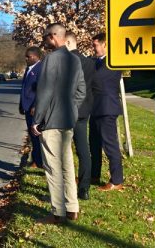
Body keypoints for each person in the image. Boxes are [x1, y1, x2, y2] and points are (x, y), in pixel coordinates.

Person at [31, 23, 85, 224]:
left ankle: (58, 213)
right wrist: (71, 108)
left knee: (53, 168)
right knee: (67, 165)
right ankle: (72, 208)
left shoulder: (50, 60)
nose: (44, 41)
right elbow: (81, 91)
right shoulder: (75, 60)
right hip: (68, 120)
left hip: (52, 121)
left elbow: (44, 94)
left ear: (54, 36)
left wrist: (37, 120)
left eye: (46, 37)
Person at [89, 32, 125, 191]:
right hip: (95, 108)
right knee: (94, 145)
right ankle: (94, 175)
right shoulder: (95, 61)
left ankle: (116, 180)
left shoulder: (113, 62)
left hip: (107, 108)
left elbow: (97, 79)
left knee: (110, 146)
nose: (93, 48)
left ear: (105, 45)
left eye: (96, 45)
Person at [65, 31, 95, 200]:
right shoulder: (90, 63)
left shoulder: (67, 62)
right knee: (84, 150)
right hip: (84, 112)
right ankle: (84, 188)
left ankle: (67, 187)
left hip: (67, 111)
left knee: (64, 151)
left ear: (68, 43)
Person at [19, 46, 43, 168]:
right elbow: (24, 88)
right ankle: (36, 159)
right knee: (32, 136)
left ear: (35, 56)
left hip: (35, 109)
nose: (26, 58)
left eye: (28, 56)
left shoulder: (41, 68)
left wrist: (35, 105)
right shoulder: (28, 69)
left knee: (36, 135)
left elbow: (41, 89)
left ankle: (38, 161)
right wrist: (21, 104)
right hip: (27, 107)